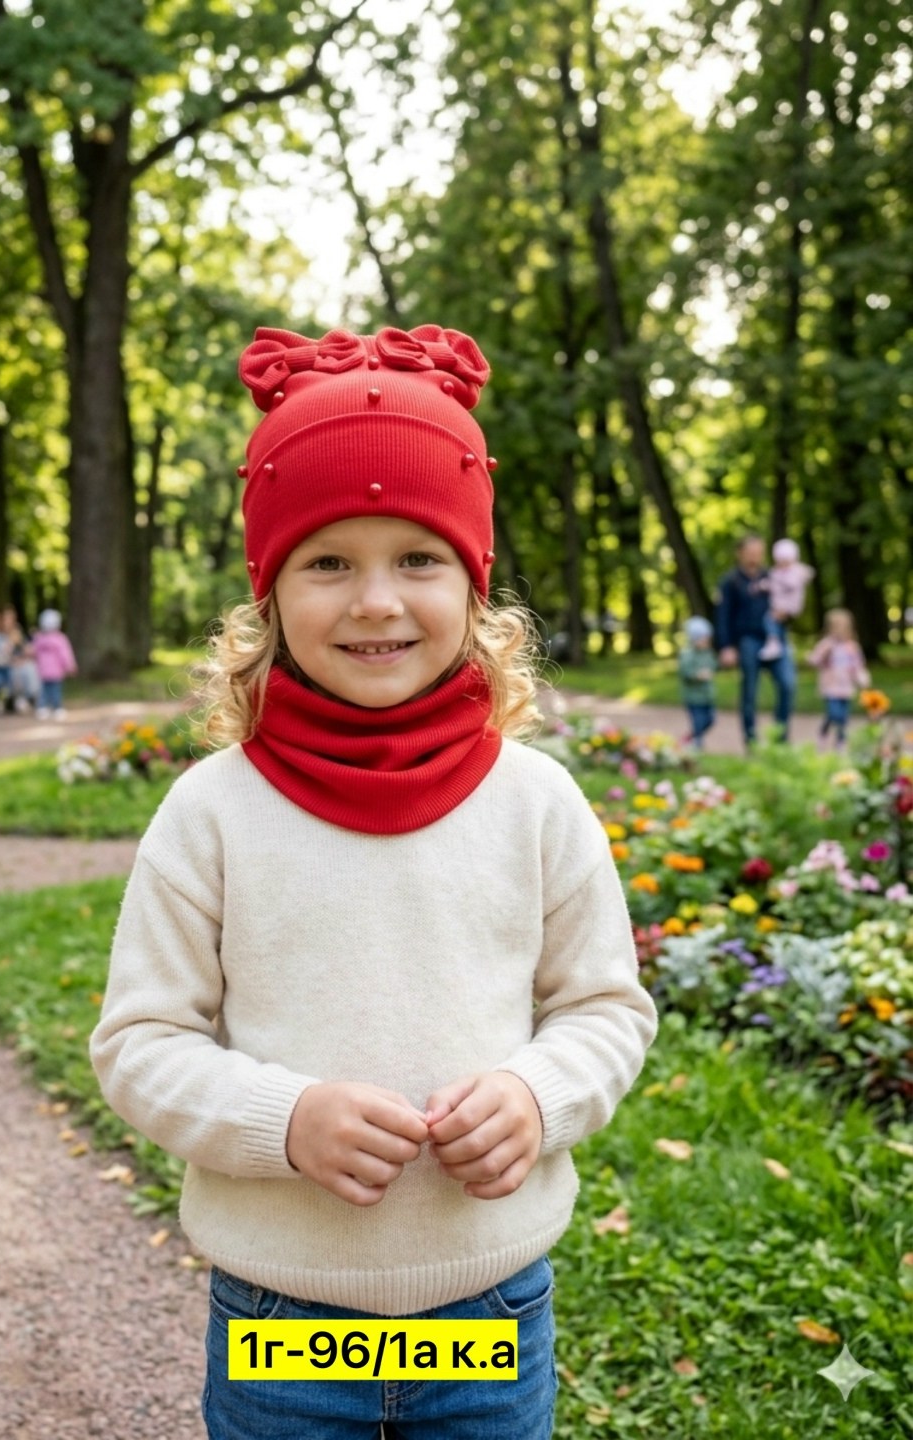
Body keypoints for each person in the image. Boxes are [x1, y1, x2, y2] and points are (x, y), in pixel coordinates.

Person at [90, 323, 658, 1439]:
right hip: (281, 1321)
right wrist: (284, 1120)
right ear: (269, 595)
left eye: (417, 559)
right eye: (329, 562)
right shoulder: (211, 814)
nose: (376, 601)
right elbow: (140, 1043)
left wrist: (538, 1096)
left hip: (490, 1310)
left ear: (476, 587)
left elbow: (605, 1009)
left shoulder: (537, 804)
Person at [714, 533, 796, 747]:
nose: (755, 557)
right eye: (750, 553)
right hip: (748, 641)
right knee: (749, 693)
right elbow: (722, 616)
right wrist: (726, 646)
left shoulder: (774, 576)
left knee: (787, 684)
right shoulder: (730, 582)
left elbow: (791, 598)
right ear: (740, 553)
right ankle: (751, 741)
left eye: (759, 553)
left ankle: (780, 739)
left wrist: (787, 613)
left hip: (776, 639)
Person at [807, 609, 870, 751]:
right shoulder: (826, 644)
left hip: (846, 688)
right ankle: (823, 732)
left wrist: (863, 679)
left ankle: (840, 741)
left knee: (843, 717)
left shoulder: (852, 647)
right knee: (833, 714)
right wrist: (824, 654)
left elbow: (858, 666)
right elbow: (814, 661)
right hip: (830, 686)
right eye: (836, 627)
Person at [759, 538, 814, 662]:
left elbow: (792, 583)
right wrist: (761, 586)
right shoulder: (778, 572)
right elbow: (771, 584)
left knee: (769, 620)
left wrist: (780, 577)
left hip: (789, 606)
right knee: (779, 625)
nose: (782, 563)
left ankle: (774, 643)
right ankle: (785, 645)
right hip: (779, 605)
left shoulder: (796, 572)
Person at [678, 615, 717, 750]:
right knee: (698, 721)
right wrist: (697, 675)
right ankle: (697, 745)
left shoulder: (708, 653)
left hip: (707, 695)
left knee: (711, 720)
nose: (706, 641)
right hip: (693, 697)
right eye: (703, 638)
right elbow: (685, 672)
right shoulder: (687, 654)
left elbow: (713, 666)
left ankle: (691, 737)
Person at [32, 608, 77, 719]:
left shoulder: (39, 638)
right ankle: (57, 707)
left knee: (44, 691)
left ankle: (42, 707)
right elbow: (65, 654)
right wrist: (70, 666)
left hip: (42, 671)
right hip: (56, 671)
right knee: (56, 690)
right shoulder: (60, 639)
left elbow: (34, 653)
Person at [1, 605, 40, 714]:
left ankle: (32, 697)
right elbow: (2, 655)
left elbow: (24, 650)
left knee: (30, 668)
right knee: (18, 672)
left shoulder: (17, 634)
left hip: (19, 662)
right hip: (6, 665)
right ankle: (20, 699)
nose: (8, 622)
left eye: (11, 619)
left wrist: (23, 653)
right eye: (6, 619)